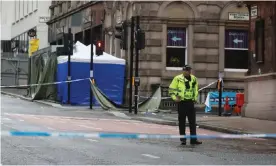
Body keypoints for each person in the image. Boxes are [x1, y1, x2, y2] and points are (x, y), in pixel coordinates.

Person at [169, 65, 202, 145]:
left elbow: (195, 89)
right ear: (183, 71)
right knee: (182, 122)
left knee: (192, 122)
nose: (188, 72)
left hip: (190, 102)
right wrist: (175, 98)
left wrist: (195, 98)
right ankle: (183, 139)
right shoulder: (178, 79)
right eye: (186, 70)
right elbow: (171, 89)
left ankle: (193, 140)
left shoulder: (194, 78)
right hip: (182, 102)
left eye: (189, 70)